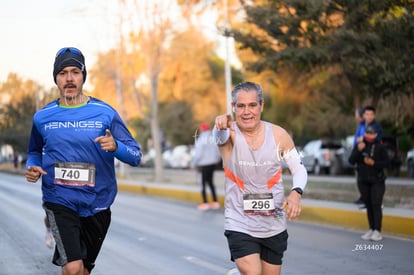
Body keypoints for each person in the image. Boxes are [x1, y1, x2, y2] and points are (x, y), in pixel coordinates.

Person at [25, 47, 142, 275]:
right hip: (59, 198)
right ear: (56, 78)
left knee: (83, 271)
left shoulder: (105, 113)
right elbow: (34, 151)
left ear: (83, 76)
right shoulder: (42, 117)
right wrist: (33, 166)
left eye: (75, 72)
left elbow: (136, 156)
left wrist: (117, 147)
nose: (69, 78)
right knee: (72, 266)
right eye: (63, 73)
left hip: (98, 202)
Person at [213, 81, 307, 275]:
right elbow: (219, 135)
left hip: (274, 225)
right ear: (234, 108)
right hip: (239, 222)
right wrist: (220, 124)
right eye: (241, 106)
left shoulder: (278, 135)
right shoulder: (229, 134)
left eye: (252, 105)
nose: (247, 112)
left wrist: (296, 193)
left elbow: (299, 169)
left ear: (261, 106)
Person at [348, 125, 389, 241]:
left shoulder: (381, 147)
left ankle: (377, 230)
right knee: (368, 204)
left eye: (372, 133)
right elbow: (351, 161)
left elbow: (386, 163)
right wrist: (358, 150)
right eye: (367, 133)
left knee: (376, 204)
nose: (369, 136)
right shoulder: (360, 145)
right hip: (363, 180)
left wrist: (374, 163)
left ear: (376, 134)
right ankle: (371, 229)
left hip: (377, 180)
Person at [353, 106, 383, 207]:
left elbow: (377, 138)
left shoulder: (376, 126)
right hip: (360, 154)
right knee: (361, 178)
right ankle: (364, 199)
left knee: (371, 178)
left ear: (374, 115)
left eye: (371, 114)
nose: (369, 116)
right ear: (364, 115)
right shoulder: (362, 125)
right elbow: (357, 137)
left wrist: (364, 139)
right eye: (367, 114)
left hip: (372, 155)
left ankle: (373, 201)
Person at [192, 122, 221, 210]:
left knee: (203, 183)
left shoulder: (201, 139)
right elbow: (218, 151)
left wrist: (193, 163)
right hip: (212, 164)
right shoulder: (213, 138)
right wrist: (216, 160)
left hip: (203, 165)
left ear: (202, 129)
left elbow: (198, 153)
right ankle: (215, 202)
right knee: (211, 183)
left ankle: (205, 203)